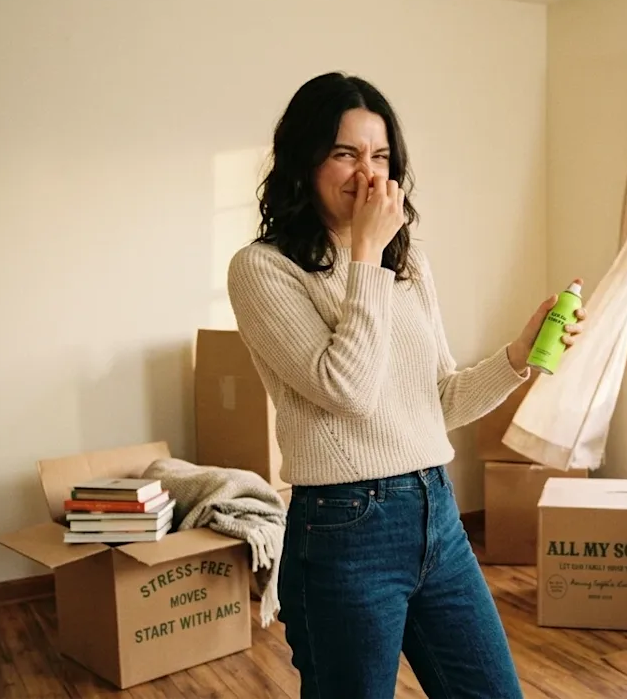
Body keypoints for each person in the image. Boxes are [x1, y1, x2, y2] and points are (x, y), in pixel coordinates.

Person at [227, 71, 586, 698]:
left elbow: (440, 400)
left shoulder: (408, 261)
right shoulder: (263, 269)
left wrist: (519, 355)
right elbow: (346, 390)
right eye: (345, 154)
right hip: (343, 533)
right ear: (305, 161)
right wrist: (365, 253)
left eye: (380, 156)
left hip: (437, 514)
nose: (367, 174)